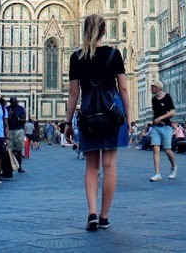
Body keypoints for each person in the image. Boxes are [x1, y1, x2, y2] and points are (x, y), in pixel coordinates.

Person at [66, 13, 129, 231]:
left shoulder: (76, 57)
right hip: (111, 115)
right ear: (104, 31)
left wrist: (67, 123)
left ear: (85, 31)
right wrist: (128, 117)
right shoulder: (114, 54)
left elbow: (73, 93)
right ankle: (104, 216)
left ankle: (91, 212)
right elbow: (123, 88)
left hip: (89, 116)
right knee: (110, 165)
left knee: (91, 167)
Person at [149, 79, 177, 182]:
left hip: (166, 127)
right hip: (156, 127)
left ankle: (174, 166)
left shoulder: (167, 97)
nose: (150, 89)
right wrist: (154, 121)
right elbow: (154, 112)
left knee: (167, 150)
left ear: (157, 88)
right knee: (155, 149)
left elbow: (172, 112)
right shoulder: (153, 100)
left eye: (152, 87)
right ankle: (157, 173)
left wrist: (160, 118)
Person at [7, 96, 27, 173]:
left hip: (19, 130)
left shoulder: (21, 109)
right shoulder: (7, 109)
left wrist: (17, 117)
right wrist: (10, 116)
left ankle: (19, 166)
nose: (13, 103)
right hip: (10, 130)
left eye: (15, 102)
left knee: (19, 150)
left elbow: (24, 120)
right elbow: (5, 120)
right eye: (12, 102)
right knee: (9, 150)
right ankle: (10, 166)